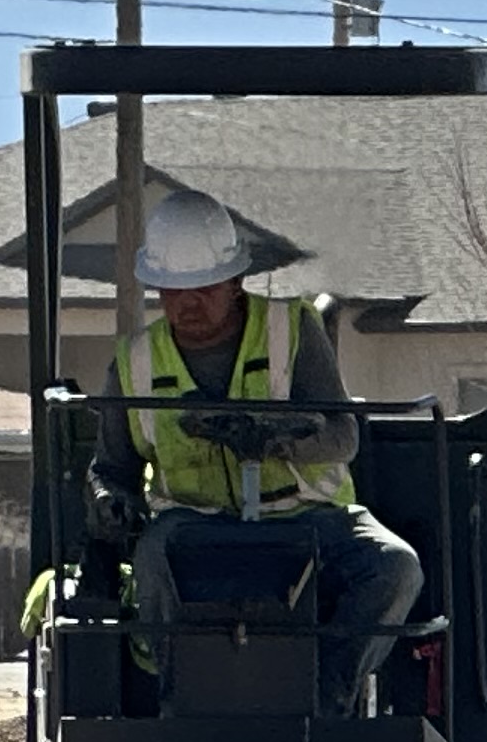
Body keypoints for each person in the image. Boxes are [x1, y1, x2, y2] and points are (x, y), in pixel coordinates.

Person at [74, 189, 420, 715]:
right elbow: (112, 467)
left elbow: (343, 436)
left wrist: (278, 438)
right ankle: (179, 708)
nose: (187, 303)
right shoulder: (135, 362)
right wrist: (109, 499)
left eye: (204, 288)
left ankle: (325, 702)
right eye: (172, 290)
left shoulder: (293, 330)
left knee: (395, 567)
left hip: (308, 519)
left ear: (236, 282)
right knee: (151, 555)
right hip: (195, 529)